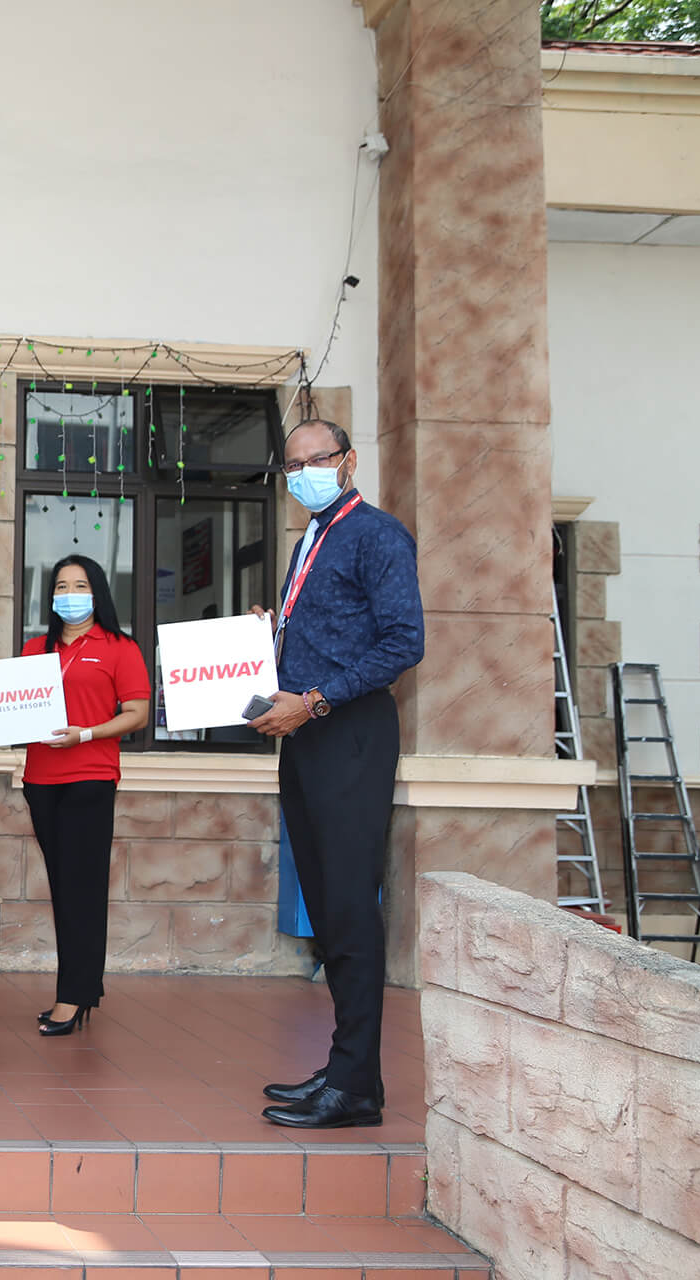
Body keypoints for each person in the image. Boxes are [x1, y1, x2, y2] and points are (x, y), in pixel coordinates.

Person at [250, 418, 423, 1129]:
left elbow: (403, 640)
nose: (301, 473)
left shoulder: (378, 534)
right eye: (291, 465)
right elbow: (322, 636)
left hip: (348, 732)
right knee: (325, 903)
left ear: (347, 462)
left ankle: (353, 1086)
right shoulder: (309, 541)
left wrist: (315, 700)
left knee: (350, 904)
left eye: (314, 460)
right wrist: (269, 643)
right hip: (307, 738)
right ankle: (351, 1070)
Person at [16, 555, 151, 1036]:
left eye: (79, 584)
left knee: (83, 888)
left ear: (97, 593)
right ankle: (81, 989)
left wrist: (86, 734)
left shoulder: (119, 648)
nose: (69, 593)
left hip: (90, 776)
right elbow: (20, 708)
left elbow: (136, 712)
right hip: (41, 780)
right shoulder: (35, 649)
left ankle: (73, 995)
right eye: (60, 585)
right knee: (62, 885)